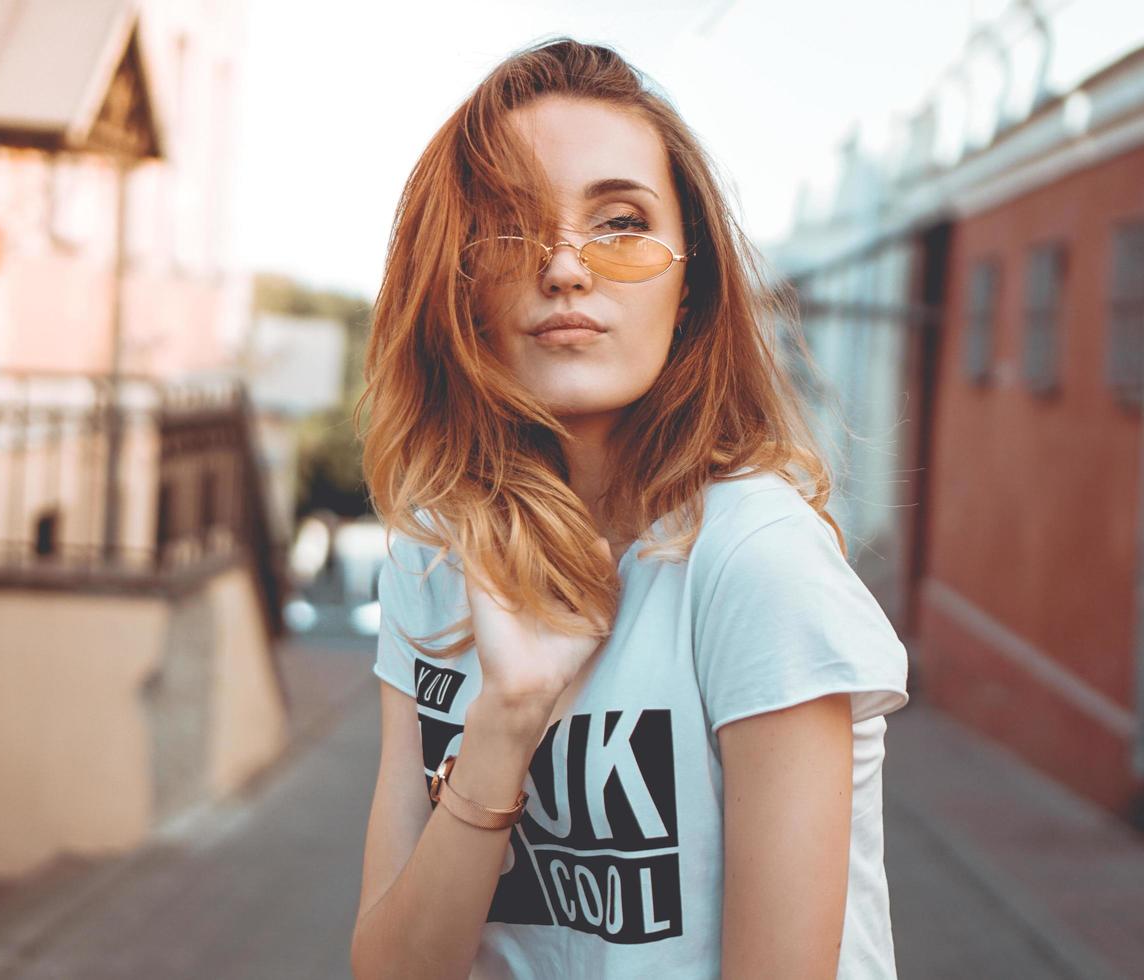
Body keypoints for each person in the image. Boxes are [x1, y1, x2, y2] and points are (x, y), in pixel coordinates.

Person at [351, 37, 910, 979]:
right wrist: (506, 719)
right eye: (513, 225)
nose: (567, 267)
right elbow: (393, 968)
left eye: (619, 222)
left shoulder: (753, 561)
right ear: (458, 282)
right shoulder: (433, 553)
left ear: (688, 287)